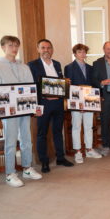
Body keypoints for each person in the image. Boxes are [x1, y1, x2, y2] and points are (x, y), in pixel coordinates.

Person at [0, 36, 42, 187]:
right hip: (8, 111)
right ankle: (10, 173)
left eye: (16, 45)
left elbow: (31, 89)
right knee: (11, 140)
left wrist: (35, 107)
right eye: (10, 45)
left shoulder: (24, 67)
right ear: (3, 47)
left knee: (27, 139)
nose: (14, 48)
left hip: (24, 108)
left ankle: (27, 167)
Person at [28, 39, 74, 173]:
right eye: (43, 48)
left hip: (58, 103)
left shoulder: (57, 64)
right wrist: (42, 96)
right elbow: (31, 86)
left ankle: (60, 157)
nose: (46, 50)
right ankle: (44, 161)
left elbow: (58, 82)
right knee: (42, 133)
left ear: (52, 50)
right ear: (38, 49)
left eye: (48, 48)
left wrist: (65, 83)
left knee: (58, 131)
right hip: (43, 104)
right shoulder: (32, 65)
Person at [64, 43, 102, 164]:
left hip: (88, 101)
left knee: (89, 126)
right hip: (76, 101)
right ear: (75, 53)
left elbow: (94, 85)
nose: (82, 54)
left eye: (84, 52)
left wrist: (97, 97)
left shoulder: (90, 68)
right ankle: (78, 151)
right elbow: (69, 87)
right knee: (76, 126)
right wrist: (77, 103)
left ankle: (89, 149)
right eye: (80, 52)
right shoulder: (69, 67)